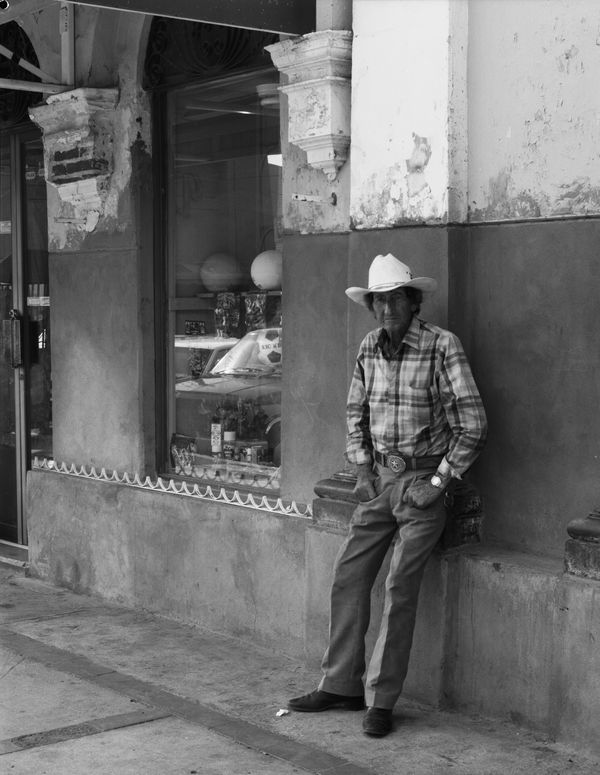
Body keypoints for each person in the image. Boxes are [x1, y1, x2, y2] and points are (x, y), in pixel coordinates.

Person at [288, 253, 487, 737]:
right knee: (349, 574)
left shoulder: (442, 346)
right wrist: (361, 470)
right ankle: (341, 685)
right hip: (379, 484)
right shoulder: (369, 347)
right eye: (379, 300)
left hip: (423, 485)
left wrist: (437, 484)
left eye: (397, 298)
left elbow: (473, 425)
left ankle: (381, 699)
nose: (388, 308)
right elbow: (355, 410)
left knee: (400, 586)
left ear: (413, 301)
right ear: (371, 305)